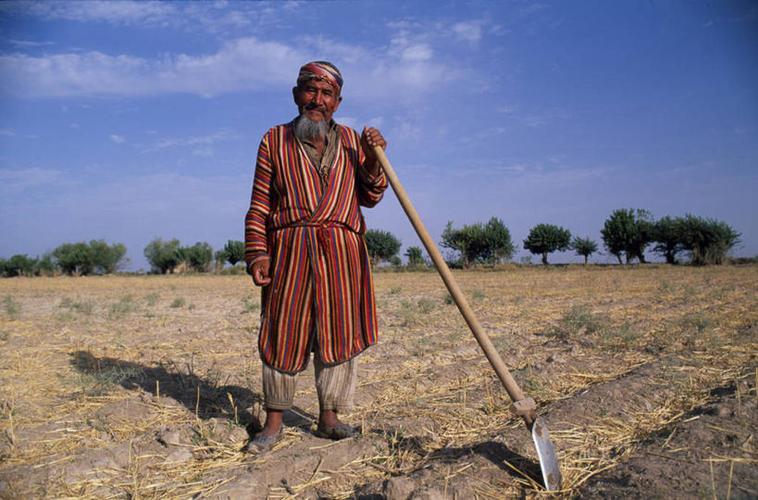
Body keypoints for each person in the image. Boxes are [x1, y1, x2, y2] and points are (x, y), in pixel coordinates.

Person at [243, 61, 388, 452]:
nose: (317, 100)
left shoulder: (356, 143)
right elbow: (259, 206)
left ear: (338, 102)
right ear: (296, 95)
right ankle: (274, 422)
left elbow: (371, 197)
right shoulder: (274, 140)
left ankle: (329, 418)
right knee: (283, 330)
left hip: (343, 255)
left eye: (326, 94)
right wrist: (258, 254)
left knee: (338, 333)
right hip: (290, 250)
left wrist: (374, 159)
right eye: (310, 91)